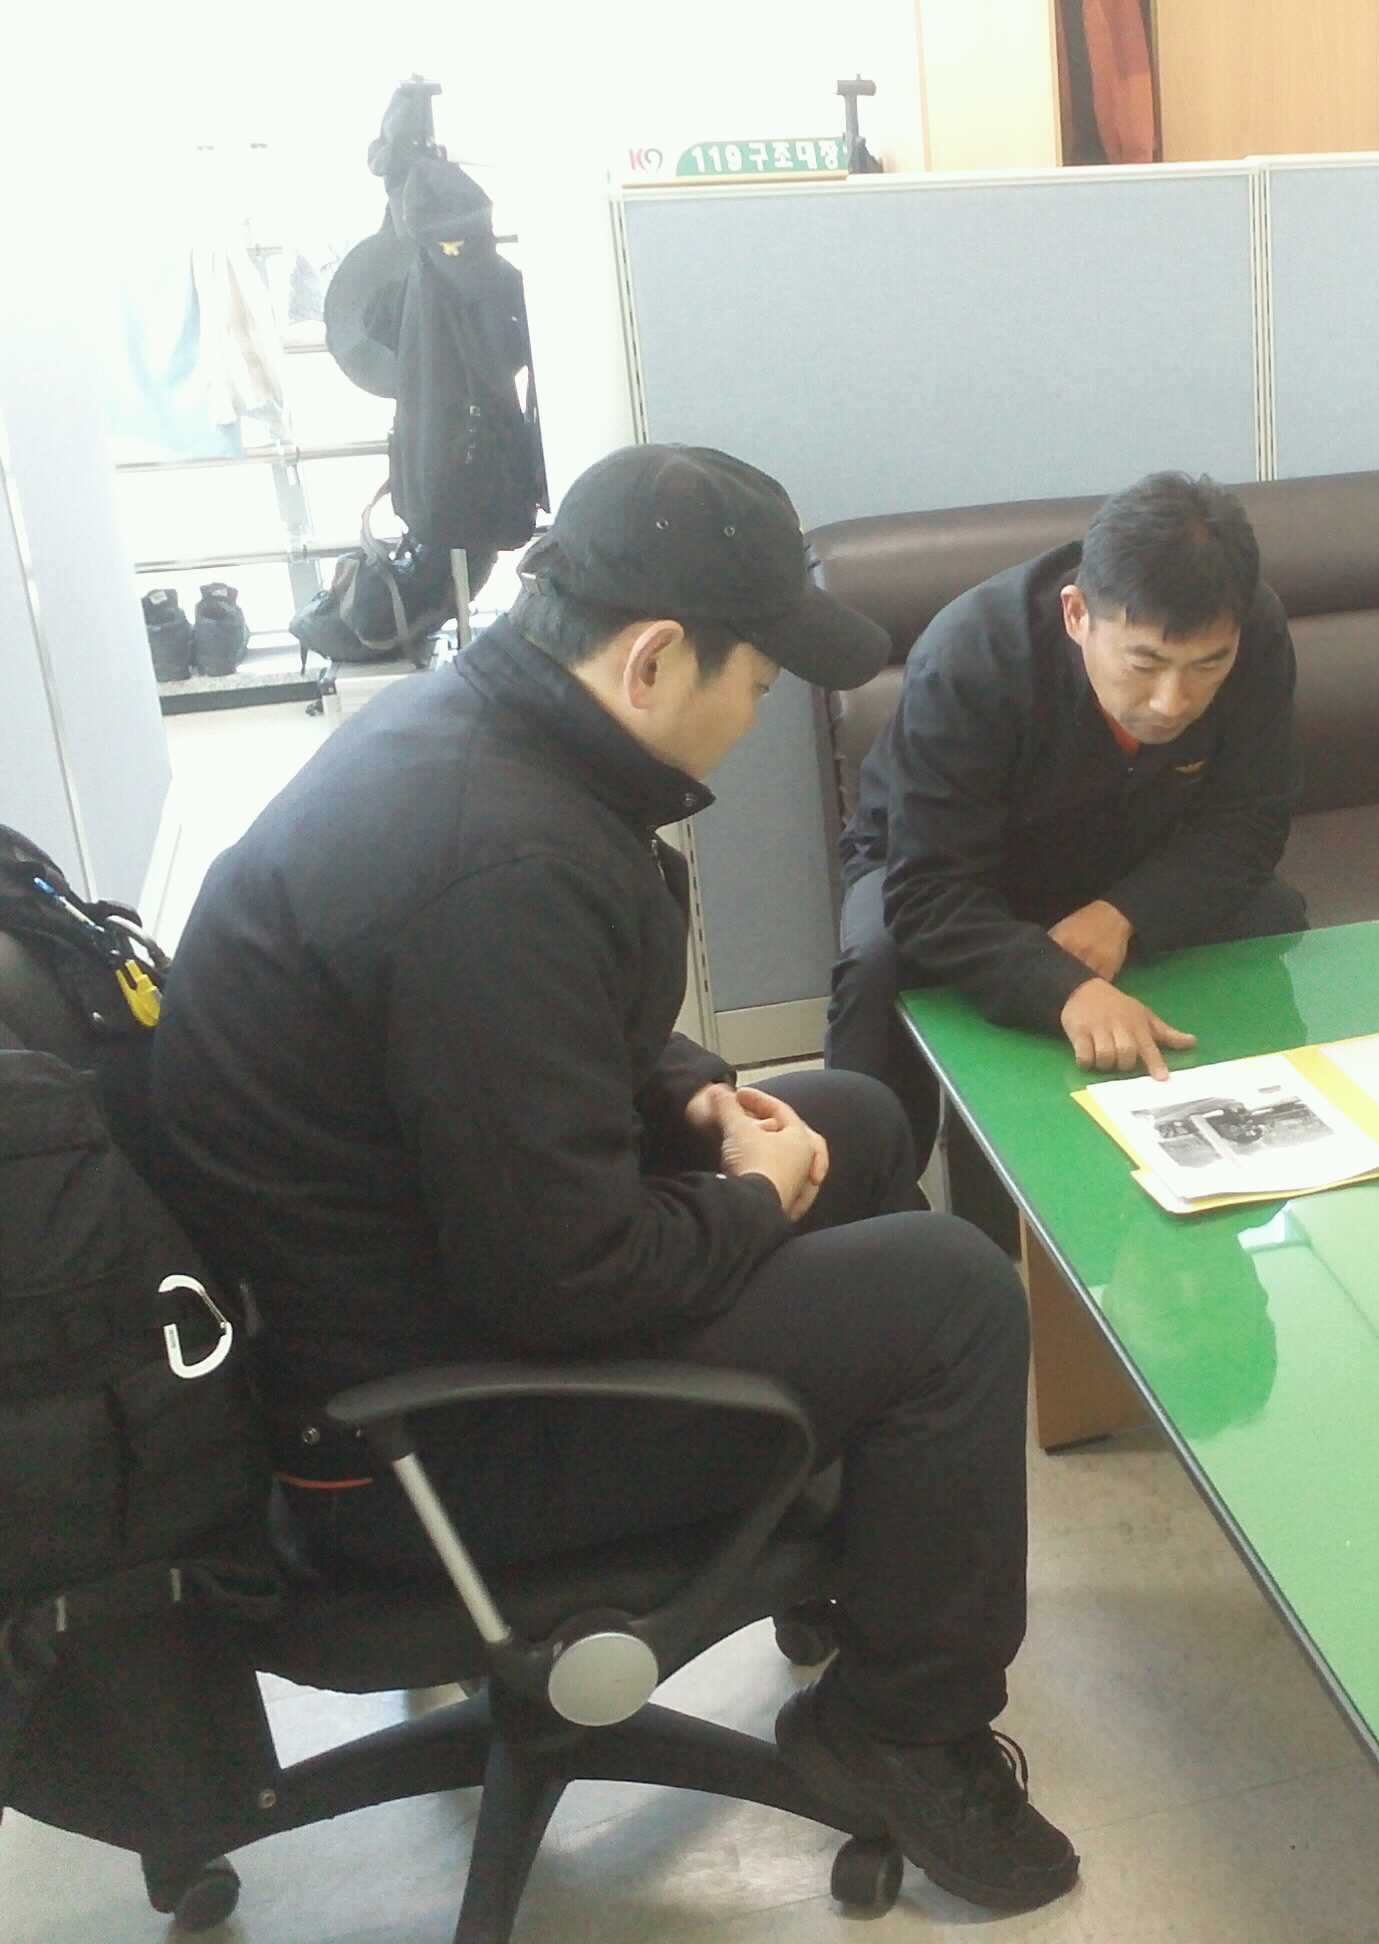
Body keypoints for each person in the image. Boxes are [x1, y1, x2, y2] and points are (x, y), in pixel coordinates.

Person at [151, 445, 1079, 1913]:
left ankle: (875, 1562)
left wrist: (696, 1095)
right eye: (756, 680)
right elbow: (568, 1279)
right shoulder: (498, 868)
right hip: (416, 1450)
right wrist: (755, 1200)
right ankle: (905, 1728)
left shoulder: (478, 739)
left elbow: (538, 1043)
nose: (759, 714)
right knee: (954, 1295)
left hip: (395, 1304)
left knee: (847, 1119)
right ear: (652, 659)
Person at [830, 471, 1304, 1163]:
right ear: (1077, 613)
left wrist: (1125, 913)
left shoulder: (1255, 631)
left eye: (1208, 665)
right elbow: (928, 891)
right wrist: (1063, 987)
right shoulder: (971, 657)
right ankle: (868, 1183)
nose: (1173, 701)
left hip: (1132, 862)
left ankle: (1270, 1139)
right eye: (1145, 662)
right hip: (950, 868)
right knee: (877, 962)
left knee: (1273, 914)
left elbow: (1250, 825)